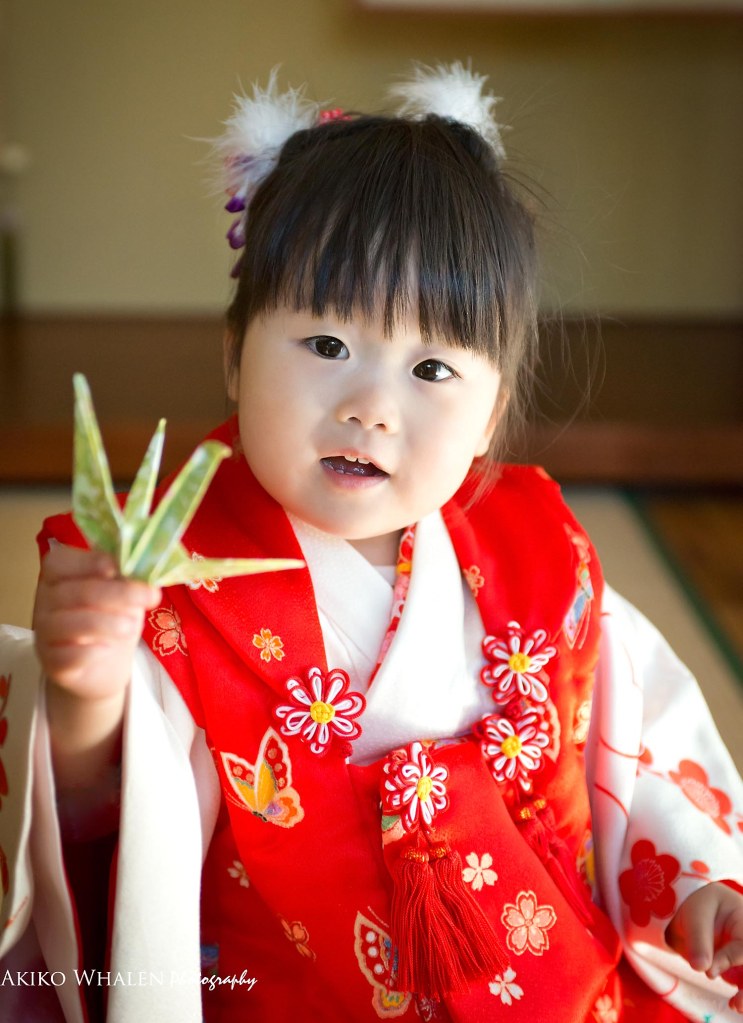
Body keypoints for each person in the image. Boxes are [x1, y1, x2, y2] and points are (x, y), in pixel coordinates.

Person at [0, 63, 741, 1023]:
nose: (370, 408)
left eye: (431, 365)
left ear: (491, 416)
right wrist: (86, 687)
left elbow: (631, 749)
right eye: (326, 346)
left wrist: (698, 883)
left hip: (545, 982)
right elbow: (106, 825)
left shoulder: (536, 553)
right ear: (233, 355)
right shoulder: (161, 572)